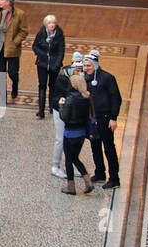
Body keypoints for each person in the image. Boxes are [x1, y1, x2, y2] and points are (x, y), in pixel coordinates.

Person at [84, 51, 122, 189]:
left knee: (109, 148)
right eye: (85, 65)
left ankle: (114, 178)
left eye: (88, 65)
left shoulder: (107, 78)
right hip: (92, 119)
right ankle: (99, 172)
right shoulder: (85, 78)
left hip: (105, 118)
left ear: (94, 65)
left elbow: (116, 98)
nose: (86, 68)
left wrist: (113, 118)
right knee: (95, 147)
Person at [57, 72, 95, 194]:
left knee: (69, 159)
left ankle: (71, 187)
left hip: (70, 133)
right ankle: (87, 181)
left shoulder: (70, 99)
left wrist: (61, 105)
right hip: (81, 133)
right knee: (75, 158)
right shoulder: (86, 98)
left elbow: (64, 117)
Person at [50, 51, 84, 176]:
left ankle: (69, 165)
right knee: (60, 138)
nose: (79, 73)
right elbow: (64, 96)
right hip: (60, 111)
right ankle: (55, 165)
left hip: (71, 111)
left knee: (71, 140)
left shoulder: (76, 77)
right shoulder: (63, 78)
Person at [31, 13, 65, 120]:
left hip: (54, 64)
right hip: (42, 63)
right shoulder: (41, 33)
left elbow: (61, 51)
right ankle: (41, 110)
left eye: (53, 23)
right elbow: (35, 46)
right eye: (50, 23)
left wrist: (57, 63)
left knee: (53, 85)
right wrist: (42, 54)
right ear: (46, 24)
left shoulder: (59, 34)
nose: (52, 25)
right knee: (42, 85)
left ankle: (52, 106)